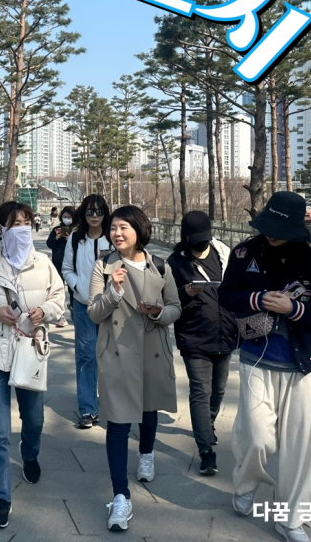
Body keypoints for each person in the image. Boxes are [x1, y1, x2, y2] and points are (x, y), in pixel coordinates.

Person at [219, 192, 311, 542]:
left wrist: (294, 309)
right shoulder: (244, 254)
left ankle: (292, 518)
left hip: (303, 366)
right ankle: (246, 483)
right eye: (267, 226)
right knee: (257, 436)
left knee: (301, 446)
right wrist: (257, 299)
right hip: (257, 358)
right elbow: (226, 295)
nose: (270, 234)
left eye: (279, 229)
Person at [0, 201, 65, 529]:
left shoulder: (43, 264)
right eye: (14, 224)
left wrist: (44, 311)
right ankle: (2, 496)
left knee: (34, 419)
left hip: (30, 352)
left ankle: (30, 454)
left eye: (26, 223)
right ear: (0, 229)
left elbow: (58, 299)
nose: (21, 229)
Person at [88, 205, 181, 532]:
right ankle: (120, 495)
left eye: (123, 227)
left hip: (151, 350)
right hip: (116, 353)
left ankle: (146, 453)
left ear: (139, 230)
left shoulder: (160, 266)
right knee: (117, 422)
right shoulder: (103, 266)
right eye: (113, 227)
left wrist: (158, 312)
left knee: (148, 409)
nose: (116, 233)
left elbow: (176, 307)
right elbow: (93, 313)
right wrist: (113, 291)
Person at [168, 211, 237, 476]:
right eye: (196, 239)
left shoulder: (224, 254)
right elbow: (169, 299)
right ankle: (206, 450)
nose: (202, 243)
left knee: (218, 389)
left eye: (205, 238)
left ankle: (208, 423)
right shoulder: (176, 262)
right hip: (194, 336)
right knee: (200, 391)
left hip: (225, 333)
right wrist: (185, 292)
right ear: (186, 237)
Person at [61, 194, 111, 428]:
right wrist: (78, 287)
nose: (94, 216)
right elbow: (67, 269)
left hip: (111, 304)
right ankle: (88, 408)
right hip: (83, 304)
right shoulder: (75, 239)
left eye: (99, 211)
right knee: (86, 354)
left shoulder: (112, 237)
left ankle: (113, 403)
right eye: (90, 211)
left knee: (112, 355)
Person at [46, 205, 76, 327]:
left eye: (69, 217)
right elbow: (49, 244)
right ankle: (61, 315)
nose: (66, 219)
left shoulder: (77, 231)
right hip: (58, 261)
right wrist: (56, 238)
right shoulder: (57, 229)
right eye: (65, 216)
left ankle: (74, 309)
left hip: (73, 263)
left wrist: (71, 239)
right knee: (58, 289)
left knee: (73, 288)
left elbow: (81, 246)